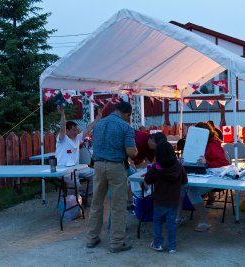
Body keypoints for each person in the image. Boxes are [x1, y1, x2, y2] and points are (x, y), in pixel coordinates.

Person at [86, 100, 137, 253]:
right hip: (116, 166)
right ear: (127, 114)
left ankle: (91, 238)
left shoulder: (99, 124)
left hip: (98, 166)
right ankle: (116, 242)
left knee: (96, 203)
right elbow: (130, 152)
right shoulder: (126, 127)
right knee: (117, 205)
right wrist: (136, 151)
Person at [144, 141, 187, 253]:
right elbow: (185, 181)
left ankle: (157, 244)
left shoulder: (156, 167)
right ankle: (171, 247)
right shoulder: (179, 166)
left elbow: (147, 180)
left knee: (157, 221)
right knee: (171, 223)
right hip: (174, 201)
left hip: (160, 201)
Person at [186, 121, 230, 232]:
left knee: (192, 190)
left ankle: (204, 219)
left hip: (214, 176)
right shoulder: (202, 143)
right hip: (202, 173)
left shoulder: (213, 144)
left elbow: (224, 163)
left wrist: (207, 162)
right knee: (181, 185)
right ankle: (179, 215)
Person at [56, 106, 101, 196]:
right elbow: (62, 128)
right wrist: (62, 115)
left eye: (76, 130)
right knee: (75, 184)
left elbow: (88, 129)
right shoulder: (62, 139)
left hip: (78, 168)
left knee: (97, 175)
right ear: (67, 131)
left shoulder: (77, 138)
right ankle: (71, 203)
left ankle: (85, 195)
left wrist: (97, 119)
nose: (76, 132)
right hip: (64, 170)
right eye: (74, 130)